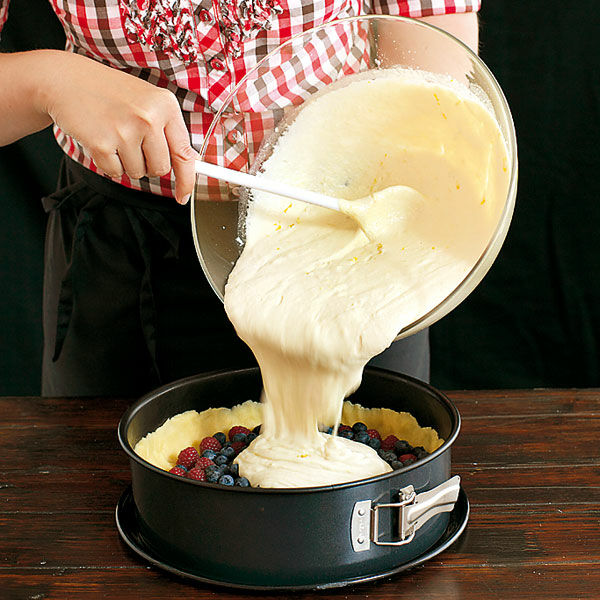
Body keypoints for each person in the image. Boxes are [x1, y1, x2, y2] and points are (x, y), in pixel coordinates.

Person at [0, 1, 480, 397]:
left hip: (351, 231)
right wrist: (50, 80)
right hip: (124, 258)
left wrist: (419, 168)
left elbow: (427, 16)